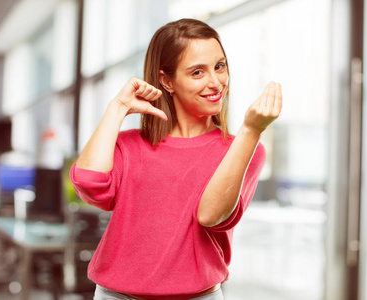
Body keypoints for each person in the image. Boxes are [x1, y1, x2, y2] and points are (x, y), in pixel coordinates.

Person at [70, 18, 282, 300]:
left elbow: (211, 217)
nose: (216, 82)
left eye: (219, 66)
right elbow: (88, 184)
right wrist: (117, 107)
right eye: (198, 72)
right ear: (167, 81)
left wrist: (251, 130)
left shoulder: (243, 147)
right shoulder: (129, 145)